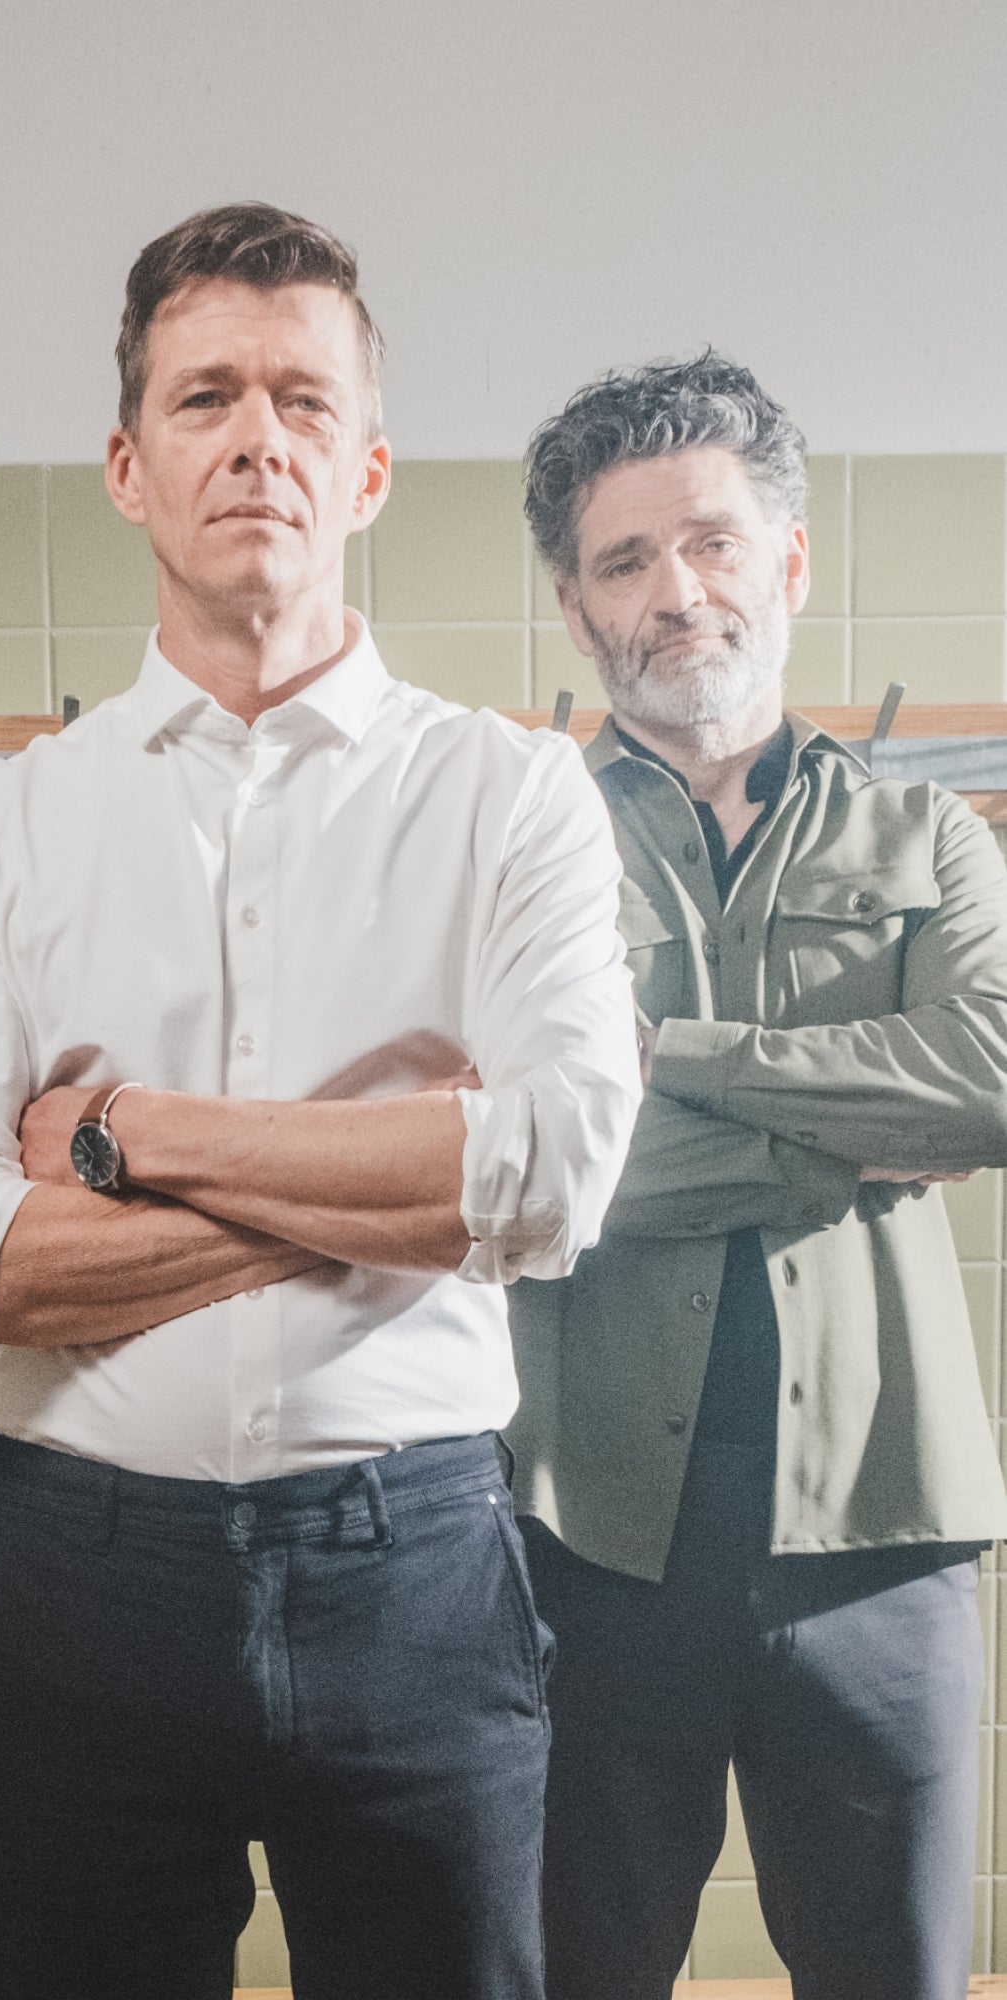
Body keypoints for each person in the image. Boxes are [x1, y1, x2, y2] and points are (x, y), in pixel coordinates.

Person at [0, 201, 641, 2000]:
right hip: (82, 1575)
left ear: (368, 469)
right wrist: (401, 1179)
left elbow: (552, 1179)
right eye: (206, 397)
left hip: (416, 1566)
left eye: (303, 400)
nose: (257, 439)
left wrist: (126, 1144)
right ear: (129, 467)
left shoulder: (512, 795)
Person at [508, 351, 1007, 2000]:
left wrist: (681, 1063)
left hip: (885, 1530)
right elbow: (525, 1157)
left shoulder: (932, 842)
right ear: (577, 608)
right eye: (625, 561)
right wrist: (854, 1139)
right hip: (580, 1534)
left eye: (714, 542)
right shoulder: (517, 854)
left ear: (787, 561)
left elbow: (991, 1083)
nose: (678, 592)